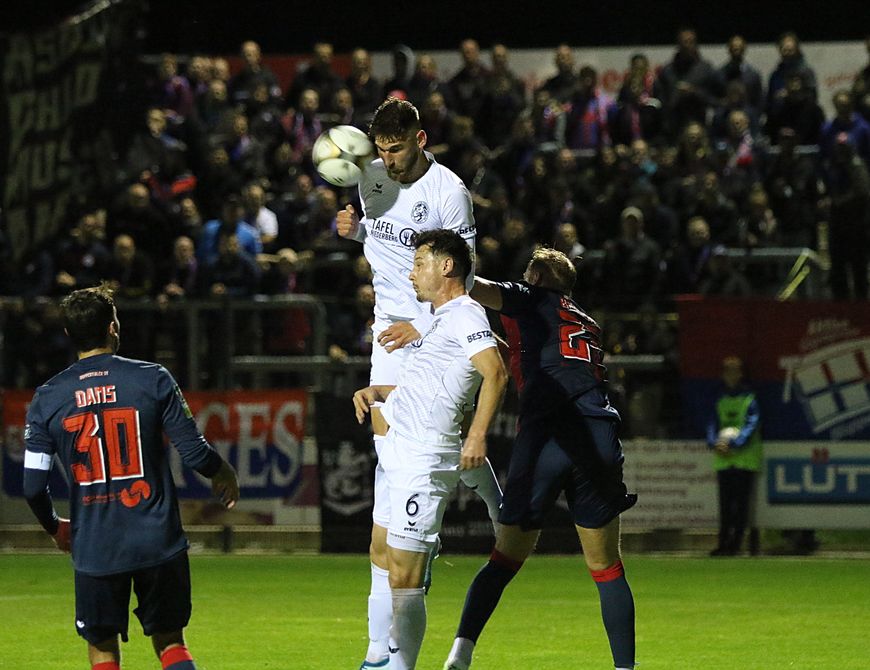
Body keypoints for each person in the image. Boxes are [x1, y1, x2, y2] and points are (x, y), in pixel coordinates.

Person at [336, 97, 504, 670]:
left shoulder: (448, 192)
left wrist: (423, 321)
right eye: (381, 150)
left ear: (421, 138)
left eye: (398, 149)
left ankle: (470, 508)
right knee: (389, 475)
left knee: (414, 463)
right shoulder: (369, 178)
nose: (389, 160)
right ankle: (376, 654)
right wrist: (353, 229)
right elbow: (381, 243)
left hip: (430, 336)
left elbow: (465, 272)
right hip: (386, 341)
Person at [22, 284, 240, 670]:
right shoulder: (153, 379)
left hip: (95, 545)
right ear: (113, 327)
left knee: (101, 647)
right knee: (171, 642)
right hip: (158, 540)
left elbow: (33, 485)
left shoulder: (47, 397)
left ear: (70, 334)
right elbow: (193, 452)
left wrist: (56, 528)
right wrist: (222, 472)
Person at [443, 248, 637, 670]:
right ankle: (625, 668)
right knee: (605, 567)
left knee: (505, 557)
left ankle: (461, 652)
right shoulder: (586, 321)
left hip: (548, 436)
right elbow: (533, 351)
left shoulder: (531, 297)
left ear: (537, 277)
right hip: (597, 435)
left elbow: (475, 289)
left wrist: (448, 261)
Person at [352, 230, 508, 670]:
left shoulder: (465, 314)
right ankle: (377, 659)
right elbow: (431, 387)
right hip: (398, 446)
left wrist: (476, 436)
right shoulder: (439, 319)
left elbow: (495, 373)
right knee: (381, 553)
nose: (411, 272)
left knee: (406, 575)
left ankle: (399, 668)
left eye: (420, 263)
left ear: (446, 267)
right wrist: (379, 391)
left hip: (423, 460)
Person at [705, 356, 762, 556]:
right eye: (727, 372)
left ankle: (736, 544)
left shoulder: (749, 399)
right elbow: (712, 424)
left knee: (741, 506)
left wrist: (735, 444)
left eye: (734, 372)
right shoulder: (719, 398)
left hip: (744, 460)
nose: (731, 376)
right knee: (725, 506)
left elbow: (751, 425)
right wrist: (714, 443)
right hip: (724, 460)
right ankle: (723, 544)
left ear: (740, 374)